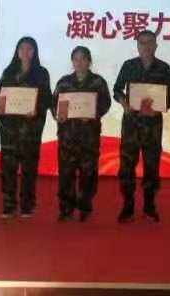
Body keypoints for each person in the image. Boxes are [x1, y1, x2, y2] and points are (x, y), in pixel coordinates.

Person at [113, 30, 170, 223]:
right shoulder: (129, 65)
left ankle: (149, 206)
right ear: (137, 45)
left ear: (156, 45)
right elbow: (117, 90)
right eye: (142, 43)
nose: (146, 46)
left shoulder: (163, 68)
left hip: (153, 125)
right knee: (127, 166)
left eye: (149, 43)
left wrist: (160, 108)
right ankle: (128, 205)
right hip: (131, 124)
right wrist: (124, 103)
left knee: (151, 166)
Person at [0, 36, 53, 219]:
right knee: (8, 169)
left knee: (29, 168)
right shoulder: (8, 72)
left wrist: (35, 109)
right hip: (9, 131)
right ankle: (8, 205)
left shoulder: (41, 73)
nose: (26, 52)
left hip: (31, 131)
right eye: (22, 48)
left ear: (34, 52)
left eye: (29, 49)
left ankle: (27, 205)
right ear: (17, 52)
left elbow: (47, 99)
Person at [53, 46, 112, 222]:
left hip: (89, 136)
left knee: (88, 173)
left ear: (89, 61)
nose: (79, 62)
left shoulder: (98, 82)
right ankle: (66, 208)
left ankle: (85, 206)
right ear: (72, 62)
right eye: (76, 59)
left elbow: (106, 103)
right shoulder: (64, 82)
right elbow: (54, 103)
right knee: (66, 173)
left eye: (83, 59)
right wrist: (58, 114)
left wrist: (93, 113)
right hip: (67, 136)